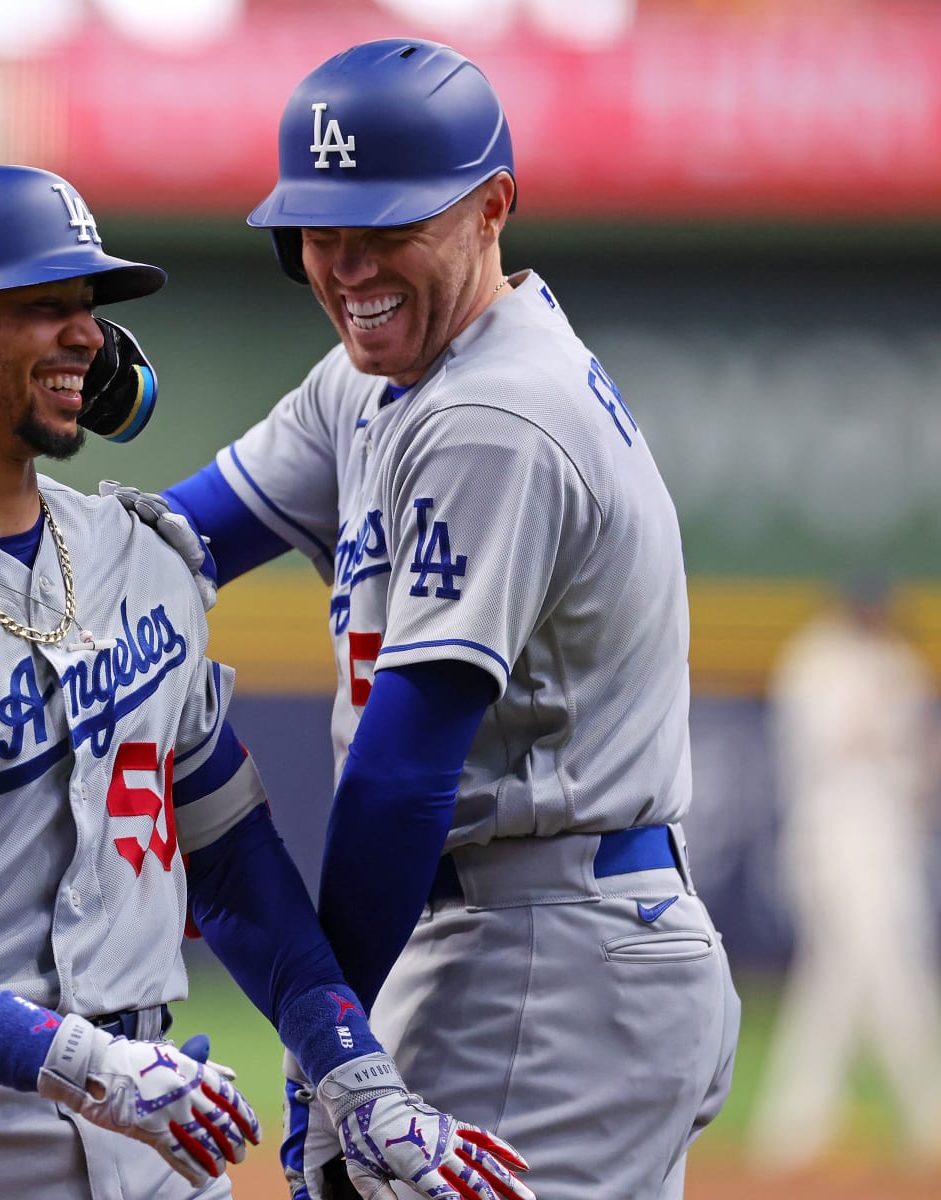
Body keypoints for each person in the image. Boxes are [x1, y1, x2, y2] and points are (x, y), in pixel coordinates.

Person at [0, 164, 533, 1200]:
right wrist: (76, 1063)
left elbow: (230, 859)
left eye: (88, 309)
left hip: (155, 1124)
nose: (88, 336)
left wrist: (352, 1069)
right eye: (42, 306)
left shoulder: (142, 559)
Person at [124, 39, 742, 1200]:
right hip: (518, 943)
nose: (347, 264)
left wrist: (332, 1051)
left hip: (547, 959)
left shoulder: (496, 412)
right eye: (318, 229)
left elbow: (404, 774)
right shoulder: (377, 379)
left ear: (492, 207)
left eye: (385, 225)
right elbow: (177, 545)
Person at [750, 580, 941, 1171]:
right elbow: (834, 742)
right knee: (886, 973)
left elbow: (922, 763)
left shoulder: (898, 661)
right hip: (833, 835)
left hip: (891, 838)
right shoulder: (818, 659)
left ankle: (791, 1127)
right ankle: (929, 1117)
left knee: (838, 981)